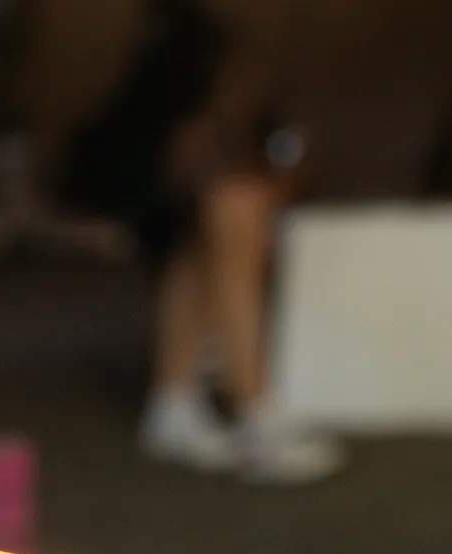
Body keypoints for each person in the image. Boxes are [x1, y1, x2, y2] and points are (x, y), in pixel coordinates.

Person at [49, 0, 345, 482]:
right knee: (234, 215)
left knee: (218, 228)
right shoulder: (200, 46)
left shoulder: (242, 49)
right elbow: (188, 145)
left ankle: (177, 400)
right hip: (141, 173)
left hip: (174, 172)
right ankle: (254, 407)